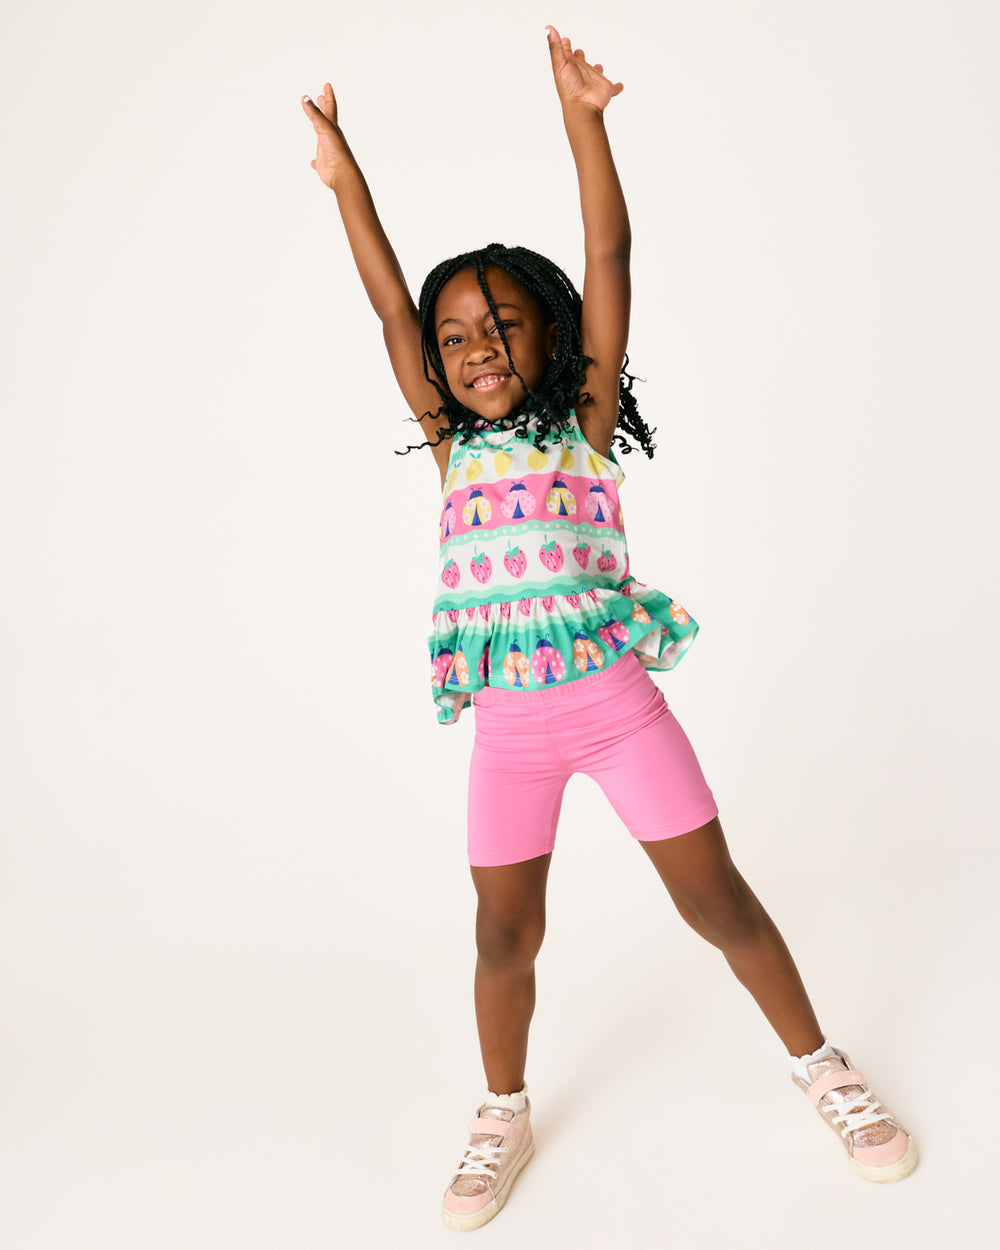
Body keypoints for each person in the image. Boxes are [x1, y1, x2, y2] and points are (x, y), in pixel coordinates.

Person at [301, 25, 916, 1231]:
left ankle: (823, 1069)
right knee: (503, 932)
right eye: (456, 335)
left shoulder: (579, 424)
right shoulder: (451, 444)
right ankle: (502, 1111)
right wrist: (345, 179)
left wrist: (584, 121)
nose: (477, 348)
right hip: (511, 736)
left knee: (716, 899)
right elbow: (385, 307)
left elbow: (607, 252)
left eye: (503, 324)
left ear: (553, 331)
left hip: (618, 711)